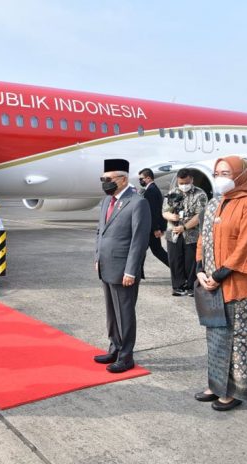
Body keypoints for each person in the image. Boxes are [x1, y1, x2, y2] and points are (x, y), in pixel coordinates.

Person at [194, 156, 247, 412]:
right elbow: (203, 239)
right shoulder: (214, 204)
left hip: (236, 286)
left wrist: (220, 274)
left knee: (237, 340)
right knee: (215, 338)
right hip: (210, 284)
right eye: (217, 172)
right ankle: (215, 385)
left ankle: (233, 392)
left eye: (226, 172)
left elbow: (246, 245)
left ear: (241, 175)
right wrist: (201, 270)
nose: (220, 176)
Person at [94, 158, 151, 374]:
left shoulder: (137, 202)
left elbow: (139, 240)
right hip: (106, 265)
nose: (104, 182)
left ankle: (126, 357)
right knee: (111, 312)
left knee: (125, 313)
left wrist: (131, 270)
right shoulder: (106, 201)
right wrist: (97, 257)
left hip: (123, 269)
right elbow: (100, 231)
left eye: (108, 179)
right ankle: (114, 348)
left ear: (123, 178)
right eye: (103, 179)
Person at [162, 169, 207, 297]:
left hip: (191, 235)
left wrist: (185, 227)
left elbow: (200, 215)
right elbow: (164, 211)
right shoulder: (172, 193)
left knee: (191, 262)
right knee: (175, 261)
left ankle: (192, 287)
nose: (184, 185)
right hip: (173, 234)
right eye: (181, 183)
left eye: (186, 182)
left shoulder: (200, 194)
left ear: (191, 180)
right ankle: (178, 286)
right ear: (177, 180)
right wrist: (171, 216)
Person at [138, 168, 170, 274]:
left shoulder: (150, 191)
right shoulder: (153, 189)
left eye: (141, 179)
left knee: (154, 251)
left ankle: (177, 269)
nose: (140, 181)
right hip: (152, 227)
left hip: (151, 228)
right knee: (143, 250)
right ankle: (138, 272)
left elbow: (153, 211)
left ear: (148, 178)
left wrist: (156, 228)